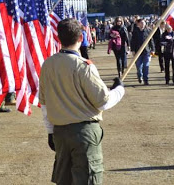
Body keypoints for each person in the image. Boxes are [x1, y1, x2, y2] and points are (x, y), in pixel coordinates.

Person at [39, 18, 125, 185]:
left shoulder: (47, 64)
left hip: (60, 132)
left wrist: (50, 131)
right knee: (88, 180)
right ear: (80, 38)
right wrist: (119, 90)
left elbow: (44, 104)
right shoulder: (83, 66)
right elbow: (103, 102)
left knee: (64, 180)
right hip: (83, 132)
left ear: (59, 38)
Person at [130, 18, 155, 85]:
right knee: (139, 66)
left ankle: (146, 79)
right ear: (138, 24)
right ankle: (139, 75)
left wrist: (153, 49)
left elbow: (151, 40)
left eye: (144, 23)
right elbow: (132, 41)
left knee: (146, 65)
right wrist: (132, 50)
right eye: (141, 23)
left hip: (146, 51)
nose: (143, 24)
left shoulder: (148, 30)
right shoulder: (135, 31)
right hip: (138, 51)